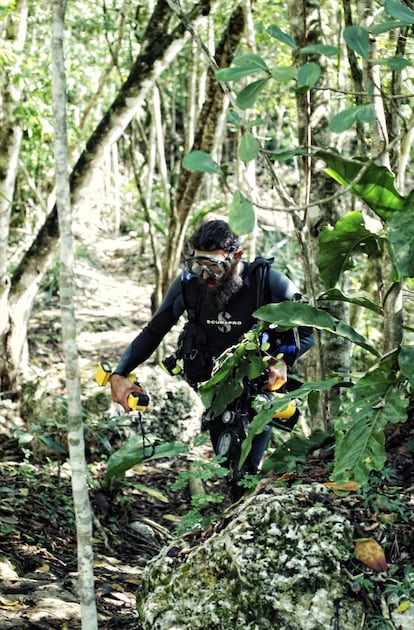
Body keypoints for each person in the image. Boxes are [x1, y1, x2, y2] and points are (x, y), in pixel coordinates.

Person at [110, 220, 314, 490]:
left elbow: (308, 330)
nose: (206, 275)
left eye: (214, 267)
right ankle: (231, 504)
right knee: (226, 463)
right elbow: (153, 331)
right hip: (213, 384)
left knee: (246, 466)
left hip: (256, 381)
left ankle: (245, 507)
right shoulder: (188, 285)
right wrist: (119, 373)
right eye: (199, 265)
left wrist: (283, 360)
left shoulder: (267, 281)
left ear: (237, 256)